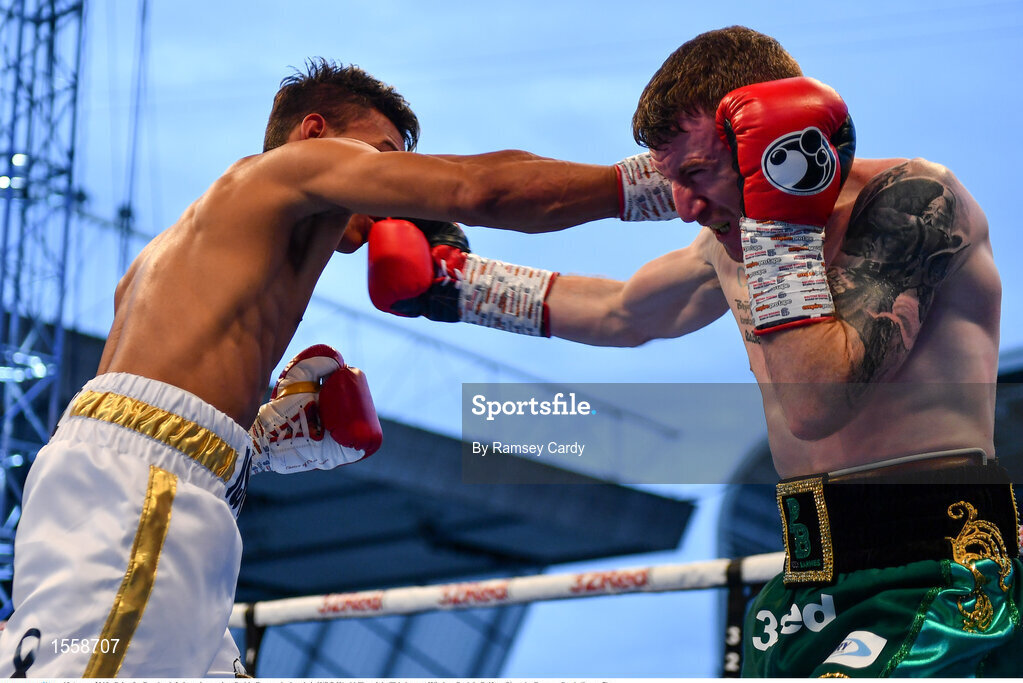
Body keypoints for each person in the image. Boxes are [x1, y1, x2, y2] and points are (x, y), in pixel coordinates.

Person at [367, 27, 1021, 677]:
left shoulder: (915, 202)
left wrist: (773, 221)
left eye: (695, 173)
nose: (683, 206)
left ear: (771, 146)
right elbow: (621, 312)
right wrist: (457, 285)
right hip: (807, 575)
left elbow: (818, 401)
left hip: (944, 564)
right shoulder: (727, 240)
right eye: (669, 179)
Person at [0, 59, 669, 677]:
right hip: (142, 500)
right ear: (314, 133)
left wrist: (252, 442)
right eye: (381, 162)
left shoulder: (174, 255)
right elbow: (477, 189)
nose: (390, 196)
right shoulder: (280, 173)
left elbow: (138, 408)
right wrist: (662, 180)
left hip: (154, 492)